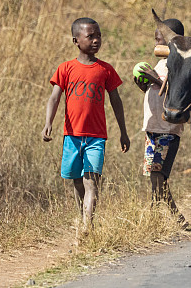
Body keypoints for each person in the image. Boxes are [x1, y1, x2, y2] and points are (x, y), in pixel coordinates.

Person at [42, 17, 130, 240]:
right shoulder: (66, 68)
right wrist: (48, 124)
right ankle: (83, 215)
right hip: (71, 136)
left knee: (92, 181)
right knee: (77, 181)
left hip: (96, 137)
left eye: (98, 35)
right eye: (90, 36)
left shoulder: (106, 70)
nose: (96, 40)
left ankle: (86, 229)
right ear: (76, 40)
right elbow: (54, 98)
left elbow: (116, 102)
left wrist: (123, 131)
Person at [133, 18, 187, 228]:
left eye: (162, 40)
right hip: (152, 128)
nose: (158, 45)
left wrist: (154, 79)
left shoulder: (179, 64)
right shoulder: (158, 63)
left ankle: (156, 217)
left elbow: (174, 90)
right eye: (156, 40)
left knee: (158, 173)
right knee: (155, 176)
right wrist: (144, 83)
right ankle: (172, 217)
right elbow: (155, 91)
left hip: (168, 129)